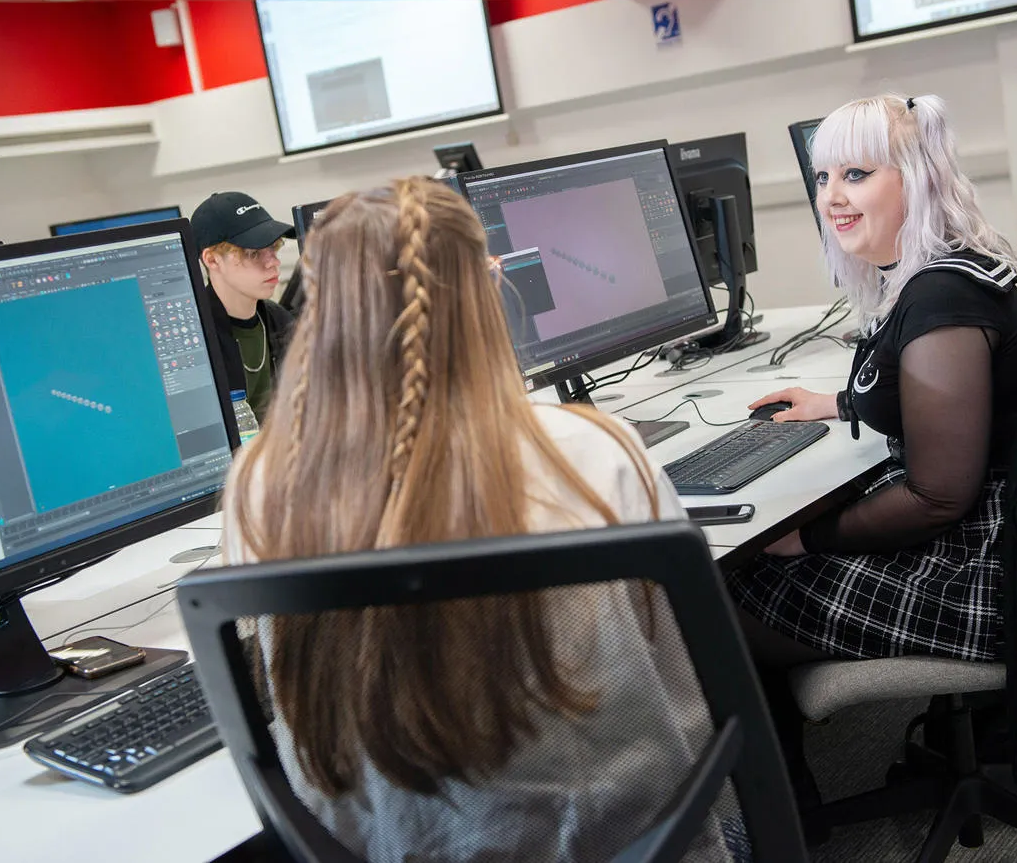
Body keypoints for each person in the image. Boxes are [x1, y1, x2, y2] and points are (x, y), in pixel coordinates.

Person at [221, 177, 738, 862]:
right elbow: (691, 683)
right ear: (483, 290)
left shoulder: (258, 484)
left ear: (324, 316)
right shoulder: (590, 449)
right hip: (623, 843)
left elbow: (274, 694)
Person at [725, 93, 1017, 806]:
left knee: (715, 589)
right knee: (753, 558)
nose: (832, 198)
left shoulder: (939, 304)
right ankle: (788, 793)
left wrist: (805, 538)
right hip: (1014, 540)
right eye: (821, 178)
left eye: (857, 175)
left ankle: (783, 813)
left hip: (984, 574)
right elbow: (946, 402)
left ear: (916, 177)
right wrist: (835, 403)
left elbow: (936, 497)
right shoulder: (949, 271)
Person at [190, 191, 296, 424]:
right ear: (212, 260)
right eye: (253, 253)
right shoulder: (196, 343)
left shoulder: (280, 320)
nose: (274, 262)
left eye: (273, 248)